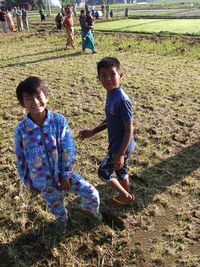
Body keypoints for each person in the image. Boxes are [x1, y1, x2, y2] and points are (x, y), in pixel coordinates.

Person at [14, 76, 100, 231]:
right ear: (22, 103)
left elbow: (68, 147)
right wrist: (28, 181)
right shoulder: (21, 129)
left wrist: (66, 174)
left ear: (46, 96)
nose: (35, 102)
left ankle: (88, 211)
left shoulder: (58, 121)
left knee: (92, 193)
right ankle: (62, 221)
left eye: (38, 96)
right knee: (55, 205)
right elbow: (20, 157)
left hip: (64, 175)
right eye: (28, 99)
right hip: (42, 180)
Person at [78, 57, 135, 207]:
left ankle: (125, 196)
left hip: (120, 147)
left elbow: (129, 129)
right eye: (103, 75)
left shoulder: (122, 100)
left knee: (103, 172)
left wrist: (120, 153)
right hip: (122, 146)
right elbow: (110, 118)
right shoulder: (112, 94)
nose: (108, 78)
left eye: (112, 74)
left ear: (121, 76)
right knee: (121, 169)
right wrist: (93, 131)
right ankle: (126, 191)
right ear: (98, 78)